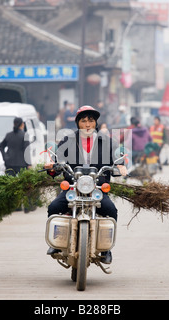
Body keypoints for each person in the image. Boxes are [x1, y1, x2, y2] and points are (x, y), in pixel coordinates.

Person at [44, 105, 128, 264]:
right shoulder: (68, 141)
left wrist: (121, 166)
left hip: (96, 188)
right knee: (54, 207)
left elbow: (118, 158)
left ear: (96, 123)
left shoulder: (107, 142)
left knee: (111, 210)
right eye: (84, 121)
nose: (88, 124)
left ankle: (106, 249)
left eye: (91, 121)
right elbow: (56, 162)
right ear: (77, 123)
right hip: (73, 187)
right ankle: (56, 243)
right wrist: (51, 167)